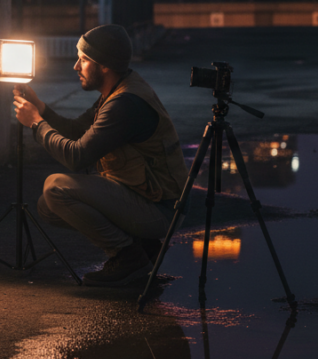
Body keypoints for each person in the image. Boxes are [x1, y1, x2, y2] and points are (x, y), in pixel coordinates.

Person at [12, 24, 187, 287]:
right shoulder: (119, 89)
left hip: (161, 210)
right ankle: (142, 246)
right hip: (145, 197)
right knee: (47, 207)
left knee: (56, 188)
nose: (75, 67)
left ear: (104, 65)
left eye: (83, 60)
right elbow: (74, 131)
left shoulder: (124, 104)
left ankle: (128, 256)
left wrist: (37, 124)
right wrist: (41, 108)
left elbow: (77, 156)